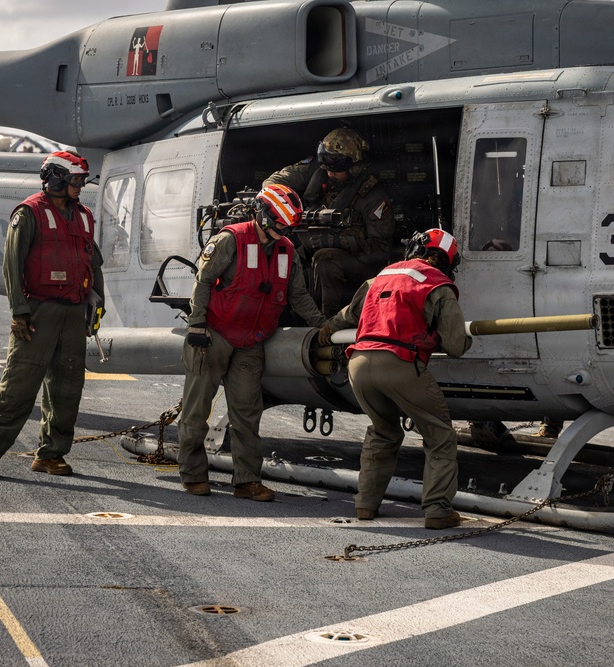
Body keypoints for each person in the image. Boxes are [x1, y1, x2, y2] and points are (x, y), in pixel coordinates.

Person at [178, 185, 326, 498]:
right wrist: (197, 324)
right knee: (196, 411)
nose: (284, 232)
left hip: (251, 342)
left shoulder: (286, 250)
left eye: (287, 227)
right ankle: (192, 474)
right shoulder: (231, 239)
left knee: (247, 414)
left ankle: (246, 481)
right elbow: (203, 280)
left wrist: (323, 325)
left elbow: (298, 295)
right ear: (263, 214)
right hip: (214, 335)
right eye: (280, 225)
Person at [318, 228, 469, 529]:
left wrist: (326, 329)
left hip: (358, 363)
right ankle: (438, 510)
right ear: (447, 262)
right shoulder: (438, 284)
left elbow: (348, 315)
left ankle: (365, 504)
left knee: (383, 431)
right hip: (400, 363)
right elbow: (455, 346)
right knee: (440, 436)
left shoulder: (381, 276)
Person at [0, 151, 104, 479]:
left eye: (82, 180)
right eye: (75, 180)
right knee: (19, 384)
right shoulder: (29, 213)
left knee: (67, 388)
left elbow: (93, 263)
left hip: (73, 314)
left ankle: (51, 454)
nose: (81, 186)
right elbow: (12, 264)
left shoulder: (84, 216)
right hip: (37, 314)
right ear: (57, 178)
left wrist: (96, 306)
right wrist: (19, 311)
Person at [263, 127, 395, 317]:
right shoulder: (317, 171)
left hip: (357, 264)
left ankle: (328, 321)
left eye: (337, 169)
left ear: (353, 166)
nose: (330, 173)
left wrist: (340, 242)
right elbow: (272, 183)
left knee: (325, 258)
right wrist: (281, 204)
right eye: (326, 167)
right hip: (309, 251)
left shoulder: (372, 197)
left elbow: (381, 249)